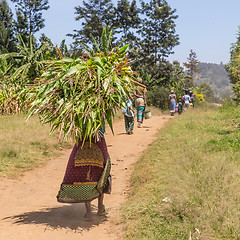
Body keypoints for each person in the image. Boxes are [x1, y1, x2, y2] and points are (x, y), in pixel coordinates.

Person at [57, 128, 111, 220]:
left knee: (83, 174)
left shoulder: (78, 114)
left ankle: (89, 212)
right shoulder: (103, 113)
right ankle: (100, 207)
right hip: (99, 140)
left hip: (82, 141)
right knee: (101, 174)